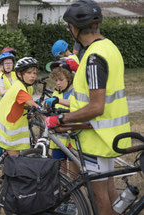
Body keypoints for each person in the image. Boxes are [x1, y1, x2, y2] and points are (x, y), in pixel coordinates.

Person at [46, 1, 131, 214]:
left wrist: (61, 120)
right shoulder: (109, 47)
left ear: (74, 28)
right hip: (109, 134)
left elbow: (96, 106)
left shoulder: (93, 58)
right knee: (110, 192)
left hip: (96, 139)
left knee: (99, 197)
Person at [0, 57, 39, 156]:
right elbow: (33, 105)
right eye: (29, 73)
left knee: (12, 159)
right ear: (20, 74)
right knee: (15, 161)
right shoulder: (18, 88)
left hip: (10, 123)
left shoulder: (25, 85)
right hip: (8, 129)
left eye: (35, 73)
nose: (33, 76)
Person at [45, 59, 79, 178]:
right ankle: (64, 193)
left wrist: (58, 101)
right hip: (58, 140)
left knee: (74, 174)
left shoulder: (76, 92)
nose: (58, 83)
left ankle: (75, 195)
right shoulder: (56, 93)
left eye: (61, 80)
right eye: (56, 81)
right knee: (61, 173)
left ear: (69, 79)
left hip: (71, 139)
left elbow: (75, 104)